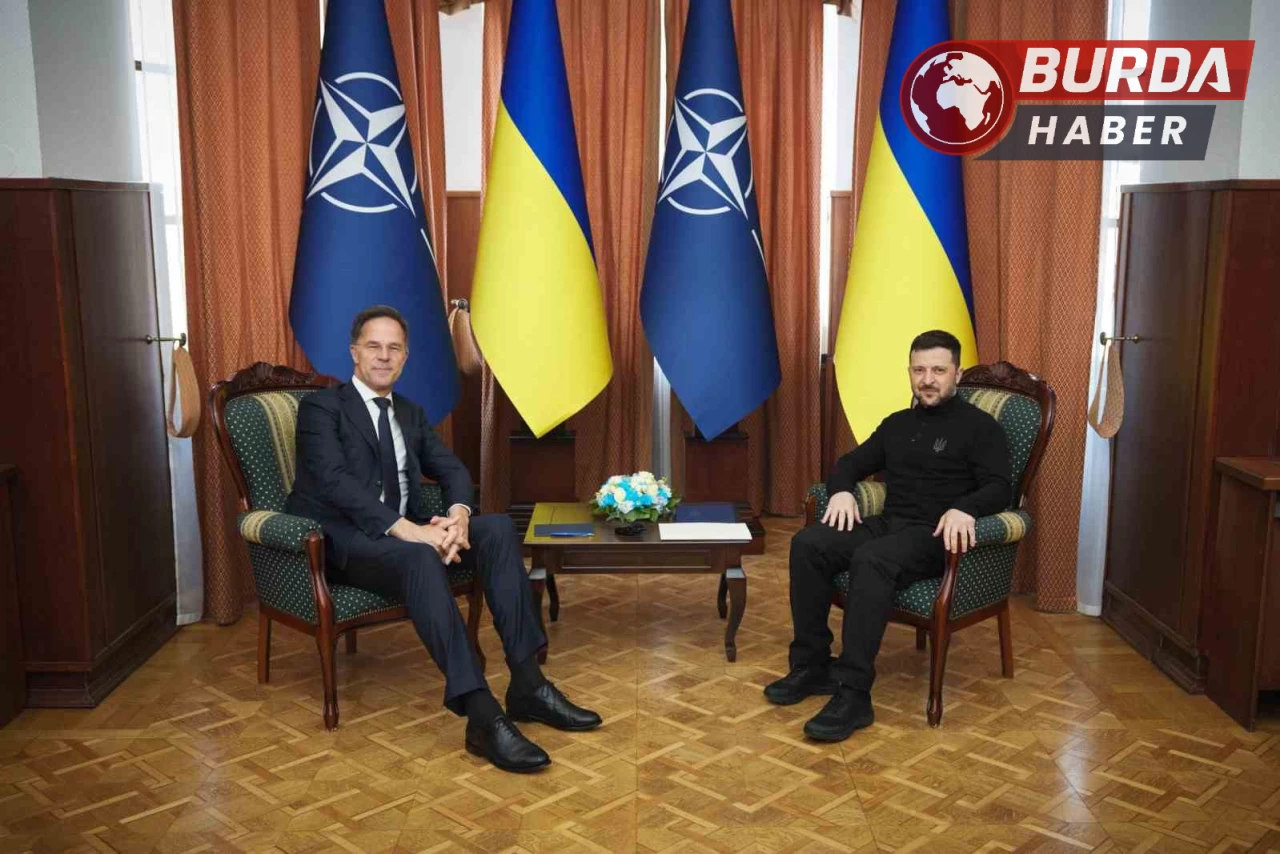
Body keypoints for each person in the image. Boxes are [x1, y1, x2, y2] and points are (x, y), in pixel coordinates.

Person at [287, 305, 600, 772]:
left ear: (405, 357)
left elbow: (451, 469)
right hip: (347, 542)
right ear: (354, 353)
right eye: (374, 346)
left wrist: (457, 520)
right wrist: (412, 532)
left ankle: (528, 684)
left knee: (497, 528)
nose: (384, 356)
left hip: (409, 534)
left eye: (394, 348)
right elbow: (334, 483)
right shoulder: (322, 409)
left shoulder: (409, 413)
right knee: (419, 558)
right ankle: (481, 715)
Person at [765, 330, 1012, 742]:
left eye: (938, 370)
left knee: (872, 558)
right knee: (808, 544)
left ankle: (854, 693)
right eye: (919, 370)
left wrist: (965, 508)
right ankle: (812, 665)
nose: (927, 380)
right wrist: (841, 491)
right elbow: (849, 463)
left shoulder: (980, 428)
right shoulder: (897, 424)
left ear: (957, 374)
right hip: (890, 525)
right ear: (910, 372)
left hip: (935, 536)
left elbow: (1000, 488)